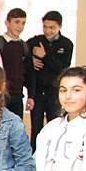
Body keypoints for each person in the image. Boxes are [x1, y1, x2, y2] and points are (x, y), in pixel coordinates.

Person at [28, 11, 74, 147]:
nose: (47, 31)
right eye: (45, 27)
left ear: (60, 26)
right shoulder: (35, 41)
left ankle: (54, 154)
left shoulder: (67, 44)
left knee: (55, 126)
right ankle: (34, 156)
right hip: (37, 92)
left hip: (55, 93)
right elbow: (23, 59)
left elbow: (62, 69)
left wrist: (45, 56)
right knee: (36, 128)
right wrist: (31, 59)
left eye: (52, 27)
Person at [0, 7, 35, 118]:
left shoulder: (24, 46)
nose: (20, 26)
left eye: (23, 23)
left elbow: (30, 73)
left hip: (18, 96)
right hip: (0, 95)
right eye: (17, 22)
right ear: (7, 23)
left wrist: (31, 96)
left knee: (16, 126)